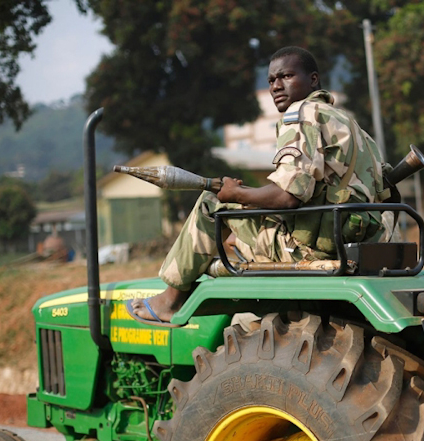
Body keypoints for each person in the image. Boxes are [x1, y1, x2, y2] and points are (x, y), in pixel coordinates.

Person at [127, 46, 391, 326]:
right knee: (235, 228)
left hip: (317, 247)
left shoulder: (300, 114)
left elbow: (288, 196)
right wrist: (248, 198)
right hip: (355, 241)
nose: (276, 86)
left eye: (286, 76)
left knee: (212, 204)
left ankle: (169, 301)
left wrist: (235, 193)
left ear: (313, 79)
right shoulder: (349, 123)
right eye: (271, 80)